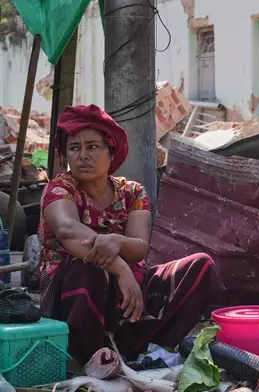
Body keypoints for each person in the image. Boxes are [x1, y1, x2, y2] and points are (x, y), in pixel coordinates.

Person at [39, 104, 224, 365]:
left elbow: (139, 248)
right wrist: (120, 269)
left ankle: (141, 348)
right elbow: (69, 231)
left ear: (110, 151)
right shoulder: (59, 188)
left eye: (92, 147)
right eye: (74, 148)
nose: (83, 156)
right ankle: (86, 358)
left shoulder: (133, 192)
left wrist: (117, 241)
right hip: (69, 296)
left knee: (200, 266)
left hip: (126, 294)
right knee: (87, 268)